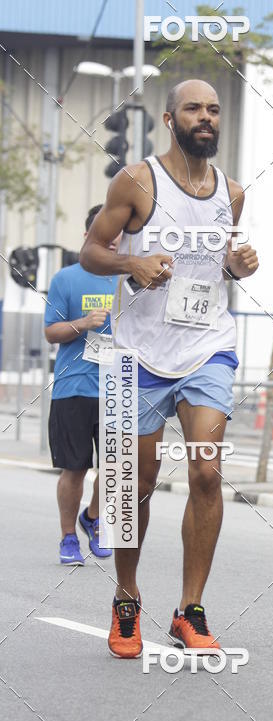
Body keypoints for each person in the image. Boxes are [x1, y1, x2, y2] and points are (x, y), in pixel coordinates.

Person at [80, 79, 258, 659]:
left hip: (208, 347)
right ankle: (127, 599)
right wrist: (131, 260)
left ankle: (190, 609)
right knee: (136, 482)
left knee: (207, 473)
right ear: (169, 117)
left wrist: (236, 267)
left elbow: (214, 268)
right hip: (139, 352)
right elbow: (90, 251)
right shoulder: (136, 181)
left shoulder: (231, 192)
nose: (205, 117)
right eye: (193, 109)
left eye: (212, 109)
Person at [44, 205, 119, 565]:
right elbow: (50, 332)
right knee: (74, 468)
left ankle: (93, 517)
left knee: (116, 466)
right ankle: (68, 538)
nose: (116, 244)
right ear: (91, 237)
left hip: (119, 388)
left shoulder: (131, 280)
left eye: (121, 238)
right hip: (74, 387)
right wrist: (84, 322)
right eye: (109, 237)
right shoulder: (66, 279)